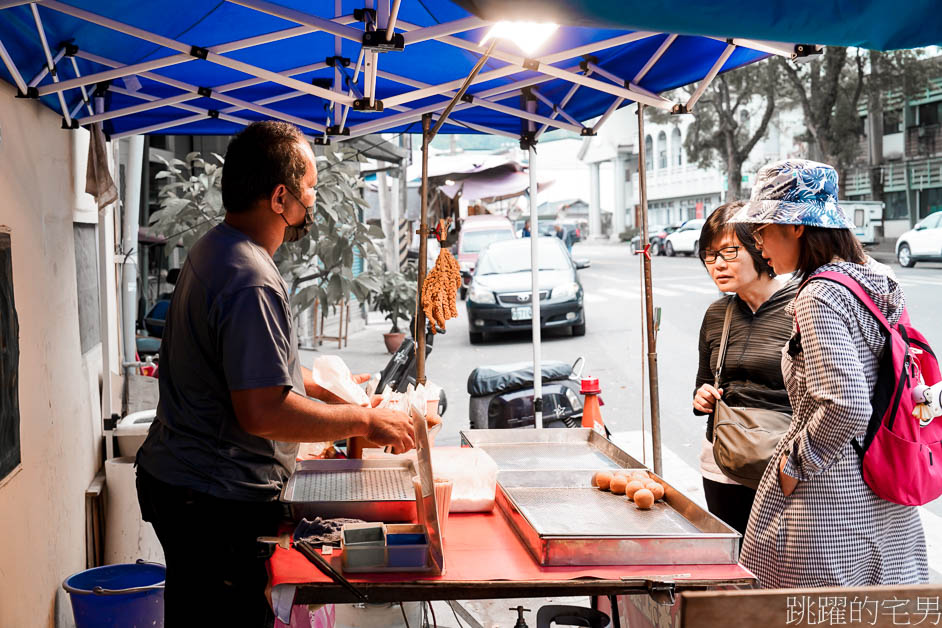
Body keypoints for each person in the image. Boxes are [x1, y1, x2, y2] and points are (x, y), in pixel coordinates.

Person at [135, 121, 416, 626]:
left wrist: (338, 396)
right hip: (211, 500)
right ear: (280, 197)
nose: (312, 201)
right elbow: (263, 409)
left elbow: (262, 373)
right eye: (309, 188)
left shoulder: (217, 248)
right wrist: (365, 423)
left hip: (184, 488)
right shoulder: (250, 279)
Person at [732, 159, 928, 587]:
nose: (759, 243)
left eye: (763, 229)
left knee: (807, 609)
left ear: (797, 226)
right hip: (884, 477)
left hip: (830, 499)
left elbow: (846, 404)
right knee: (876, 609)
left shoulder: (819, 295)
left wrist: (796, 464)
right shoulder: (875, 278)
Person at [693, 201, 797, 537]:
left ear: (758, 248)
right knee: (734, 563)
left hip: (783, 464)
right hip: (723, 463)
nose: (717, 265)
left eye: (729, 252)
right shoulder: (716, 314)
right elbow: (703, 385)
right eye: (710, 255)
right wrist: (703, 397)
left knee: (784, 570)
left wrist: (795, 464)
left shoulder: (801, 307)